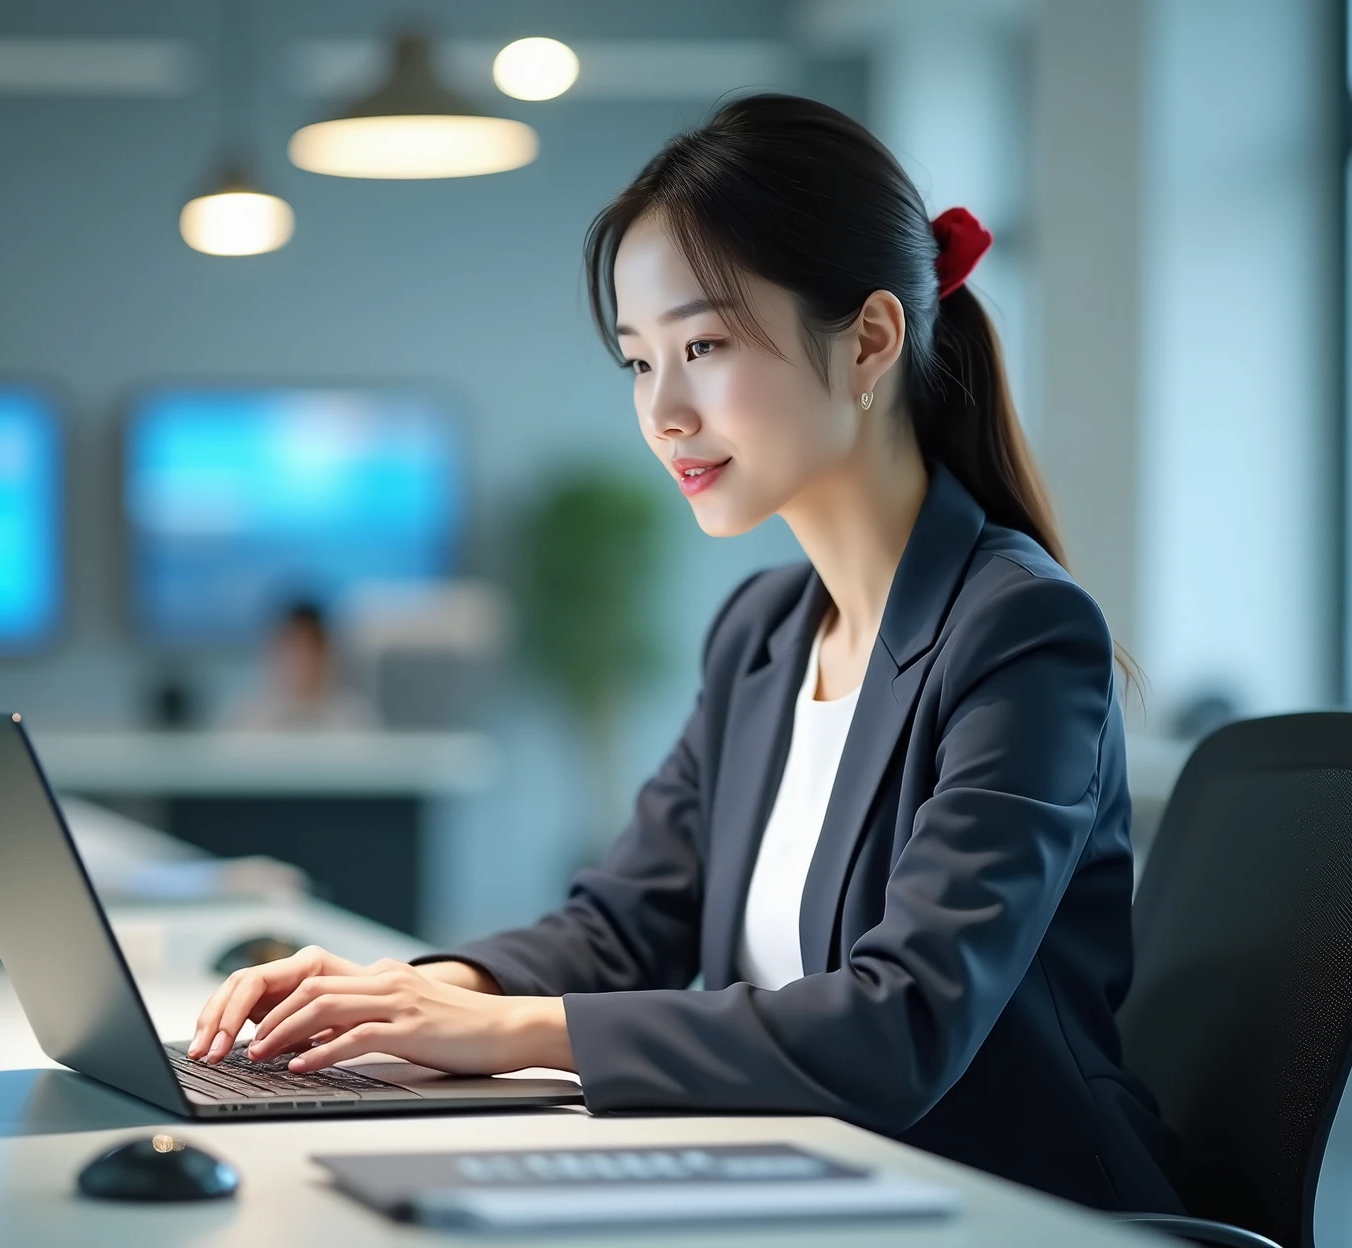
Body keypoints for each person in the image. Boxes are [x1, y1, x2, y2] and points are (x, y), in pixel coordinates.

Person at [188, 94, 1181, 1213]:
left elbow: (901, 1026)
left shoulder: (1016, 630)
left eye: (702, 346)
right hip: (803, 1183)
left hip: (1000, 1210)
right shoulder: (761, 630)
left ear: (866, 341)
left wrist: (509, 1031)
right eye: (635, 361)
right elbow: (629, 921)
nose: (661, 411)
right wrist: (411, 995)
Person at [223, 600, 377, 731]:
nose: (303, 661)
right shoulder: (244, 720)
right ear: (274, 652)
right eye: (293, 648)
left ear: (327, 653)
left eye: (311, 649)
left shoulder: (354, 720)